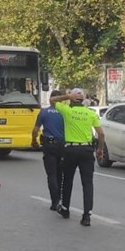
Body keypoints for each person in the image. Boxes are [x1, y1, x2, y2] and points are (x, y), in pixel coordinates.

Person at [49, 88, 107, 226]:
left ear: (72, 99)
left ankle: (65, 208)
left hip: (71, 149)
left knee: (67, 180)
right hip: (87, 150)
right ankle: (87, 215)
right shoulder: (90, 113)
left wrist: (68, 95)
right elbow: (101, 134)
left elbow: (52, 100)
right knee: (87, 183)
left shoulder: (67, 111)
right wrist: (99, 149)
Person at [31, 90, 66, 211]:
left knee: (51, 174)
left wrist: (34, 141)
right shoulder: (65, 112)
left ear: (51, 99)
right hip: (62, 146)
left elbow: (35, 130)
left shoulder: (44, 112)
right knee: (60, 174)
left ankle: (54, 202)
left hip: (49, 146)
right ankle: (61, 200)